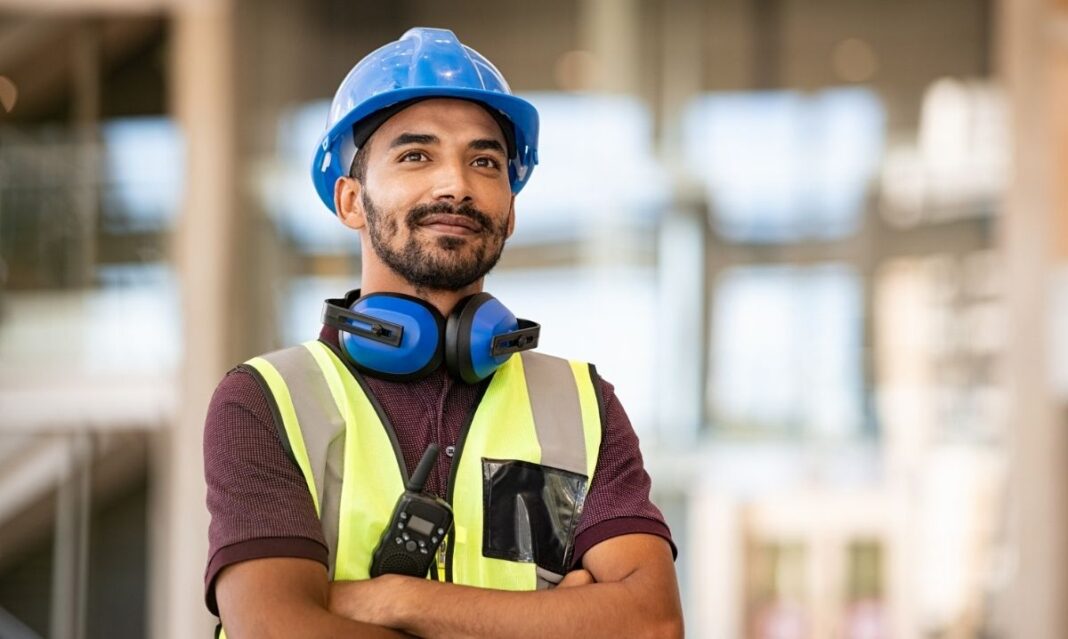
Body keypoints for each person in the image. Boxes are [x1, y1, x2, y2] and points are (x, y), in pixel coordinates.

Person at [204, 27, 684, 638]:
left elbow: (651, 625)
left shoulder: (582, 404)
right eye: (415, 156)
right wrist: (557, 620)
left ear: (510, 209)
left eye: (484, 161)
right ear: (352, 201)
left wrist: (395, 600)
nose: (455, 185)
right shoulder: (266, 399)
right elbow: (278, 631)